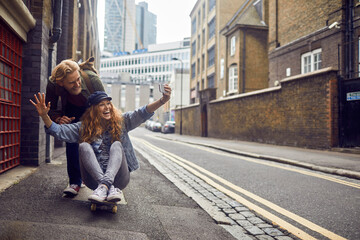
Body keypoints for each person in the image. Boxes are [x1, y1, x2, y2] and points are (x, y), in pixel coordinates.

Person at [30, 87, 171, 202]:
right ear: (93, 110)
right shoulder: (84, 127)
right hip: (93, 181)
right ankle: (104, 186)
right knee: (83, 146)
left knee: (117, 144)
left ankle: (105, 186)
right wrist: (44, 116)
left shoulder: (121, 121)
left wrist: (162, 100)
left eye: (108, 103)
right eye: (102, 104)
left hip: (120, 179)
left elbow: (142, 113)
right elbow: (59, 131)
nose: (107, 107)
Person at [46, 58, 105, 196]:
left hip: (92, 109)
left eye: (78, 79)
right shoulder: (53, 84)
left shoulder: (92, 79)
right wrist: (58, 118)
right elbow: (51, 109)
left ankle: (102, 182)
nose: (77, 84)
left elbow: (106, 104)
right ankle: (75, 182)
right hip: (71, 109)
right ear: (61, 83)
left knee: (95, 144)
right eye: (72, 82)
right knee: (72, 142)